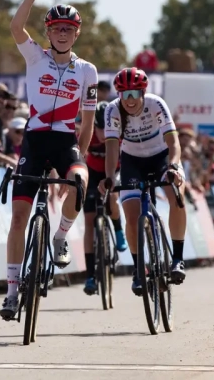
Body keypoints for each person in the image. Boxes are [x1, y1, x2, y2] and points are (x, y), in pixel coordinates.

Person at [0, 0, 98, 321]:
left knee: (80, 180)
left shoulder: (87, 71)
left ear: (76, 34)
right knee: (18, 218)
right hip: (35, 141)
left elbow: (87, 120)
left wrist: (81, 157)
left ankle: (61, 236)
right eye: (55, 27)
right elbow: (14, 26)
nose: (61, 33)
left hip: (63, 142)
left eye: (67, 29)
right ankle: (11, 293)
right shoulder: (35, 57)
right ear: (48, 31)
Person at [98, 67, 187, 296]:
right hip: (132, 161)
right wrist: (108, 177)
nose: (129, 100)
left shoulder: (156, 104)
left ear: (143, 93)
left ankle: (177, 258)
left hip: (161, 157)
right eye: (124, 94)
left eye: (134, 94)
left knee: (177, 195)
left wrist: (174, 166)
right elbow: (111, 147)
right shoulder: (112, 111)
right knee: (131, 213)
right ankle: (139, 270)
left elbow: (173, 143)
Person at [82, 100, 127, 296]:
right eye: (98, 128)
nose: (101, 133)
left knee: (113, 199)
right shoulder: (88, 135)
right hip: (92, 173)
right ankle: (90, 275)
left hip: (113, 172)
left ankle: (118, 230)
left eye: (104, 128)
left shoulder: (118, 135)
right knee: (89, 222)